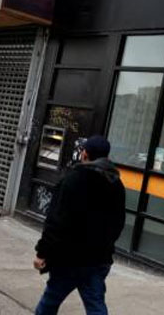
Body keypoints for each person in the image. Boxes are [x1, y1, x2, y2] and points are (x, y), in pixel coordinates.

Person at [33, 135, 126, 315]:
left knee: (49, 303)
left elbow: (56, 221)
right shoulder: (116, 184)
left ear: (85, 154)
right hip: (98, 259)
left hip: (69, 259)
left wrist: (42, 252)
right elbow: (119, 223)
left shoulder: (72, 180)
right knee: (95, 306)